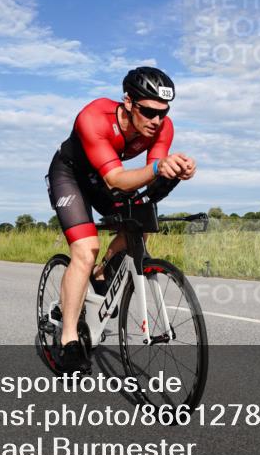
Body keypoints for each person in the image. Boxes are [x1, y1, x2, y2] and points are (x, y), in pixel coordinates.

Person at [46, 67, 197, 373]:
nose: (156, 121)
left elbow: (151, 176)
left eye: (163, 113)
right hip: (71, 176)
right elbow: (116, 179)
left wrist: (173, 172)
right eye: (148, 112)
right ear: (128, 102)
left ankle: (102, 273)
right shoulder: (94, 117)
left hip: (106, 179)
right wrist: (157, 169)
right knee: (85, 249)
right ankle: (69, 339)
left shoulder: (162, 128)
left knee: (140, 226)